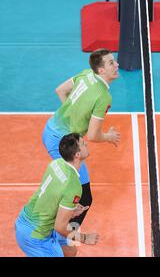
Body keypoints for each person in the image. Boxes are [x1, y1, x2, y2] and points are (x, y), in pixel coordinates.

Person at [42, 48, 121, 228]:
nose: (117, 65)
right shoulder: (103, 96)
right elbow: (93, 135)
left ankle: (59, 227)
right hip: (61, 143)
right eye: (111, 63)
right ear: (101, 70)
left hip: (49, 129)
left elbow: (60, 90)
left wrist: (73, 113)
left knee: (70, 189)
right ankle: (64, 238)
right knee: (84, 196)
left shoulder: (86, 74)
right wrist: (109, 137)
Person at [15, 133, 100, 257]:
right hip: (35, 237)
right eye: (83, 144)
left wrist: (69, 210)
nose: (86, 144)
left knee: (70, 251)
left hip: (24, 220)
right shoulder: (74, 185)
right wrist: (84, 238)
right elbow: (60, 227)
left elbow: (52, 194)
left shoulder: (56, 163)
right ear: (77, 155)